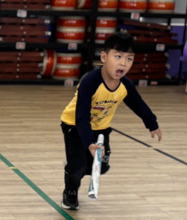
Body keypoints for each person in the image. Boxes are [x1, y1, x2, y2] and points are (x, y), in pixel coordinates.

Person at [60, 31, 162, 209]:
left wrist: (152, 124)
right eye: (118, 56)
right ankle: (70, 190)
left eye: (129, 59)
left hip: (101, 128)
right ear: (104, 57)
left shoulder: (125, 85)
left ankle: (76, 162)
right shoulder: (90, 81)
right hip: (74, 125)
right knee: (78, 166)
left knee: (101, 167)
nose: (123, 63)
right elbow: (81, 116)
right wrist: (89, 144)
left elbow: (138, 104)